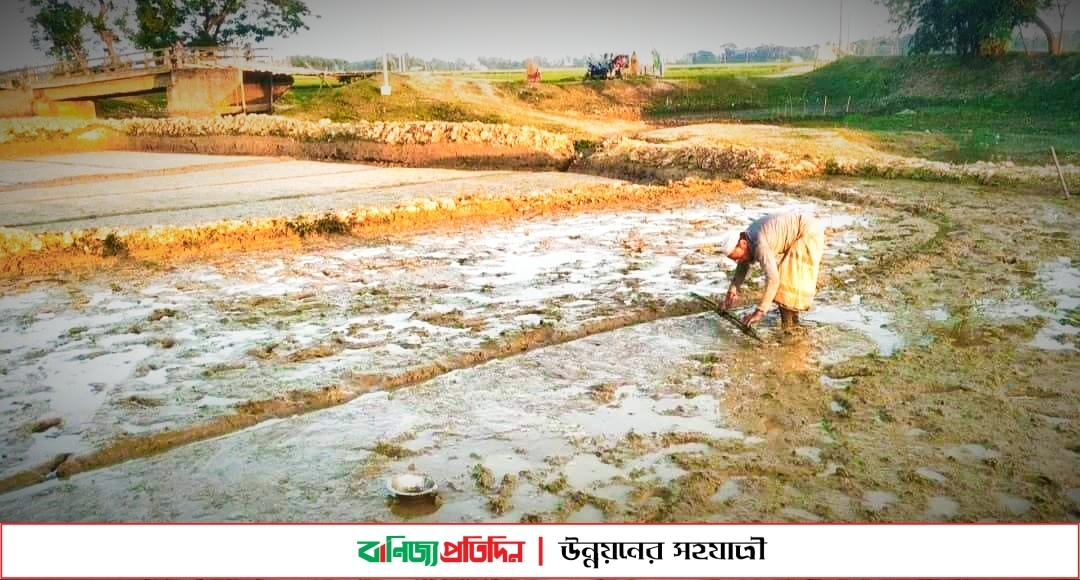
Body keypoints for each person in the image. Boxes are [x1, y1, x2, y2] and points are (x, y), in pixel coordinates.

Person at [716, 212, 827, 329]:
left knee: (786, 287)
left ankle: (790, 330)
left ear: (743, 243)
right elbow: (744, 263)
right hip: (806, 228)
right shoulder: (748, 237)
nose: (737, 261)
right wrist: (732, 290)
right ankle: (791, 325)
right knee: (786, 289)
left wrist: (760, 311)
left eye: (737, 257)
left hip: (808, 233)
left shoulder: (759, 244)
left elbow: (773, 279)